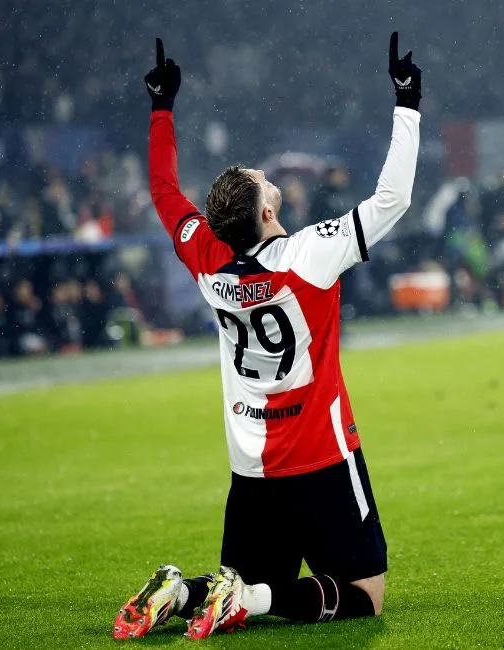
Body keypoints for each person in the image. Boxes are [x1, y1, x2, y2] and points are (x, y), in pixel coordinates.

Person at [113, 33, 421, 640]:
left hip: (250, 461)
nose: (262, 174)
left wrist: (160, 110)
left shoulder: (206, 257)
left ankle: (184, 592)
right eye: (260, 180)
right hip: (320, 451)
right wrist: (407, 104)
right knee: (364, 596)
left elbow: (164, 193)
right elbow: (395, 198)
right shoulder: (309, 256)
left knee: (249, 578)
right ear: (268, 211)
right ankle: (248, 601)